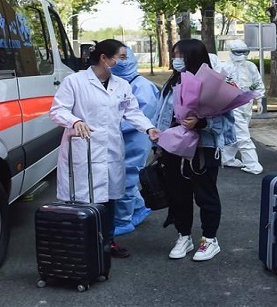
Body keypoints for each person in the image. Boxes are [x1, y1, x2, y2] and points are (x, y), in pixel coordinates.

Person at [49, 39, 160, 259]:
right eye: (121, 57)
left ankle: (108, 241)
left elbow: (133, 112)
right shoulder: (75, 81)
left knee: (109, 200)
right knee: (82, 201)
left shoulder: (122, 85)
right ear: (104, 58)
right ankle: (81, 244)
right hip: (82, 150)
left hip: (110, 151)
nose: (124, 62)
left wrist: (149, 128)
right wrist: (74, 121)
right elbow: (57, 111)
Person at [152, 39, 236, 261]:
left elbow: (227, 122)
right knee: (178, 195)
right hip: (173, 149)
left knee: (205, 195)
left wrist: (200, 124)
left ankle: (209, 239)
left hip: (203, 149)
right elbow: (160, 114)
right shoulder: (172, 83)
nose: (175, 60)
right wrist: (157, 143)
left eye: (180, 55)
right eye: (174, 54)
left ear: (192, 57)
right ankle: (183, 235)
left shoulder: (213, 85)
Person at [109, 46, 160, 236]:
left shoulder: (142, 86)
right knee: (123, 176)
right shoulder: (120, 83)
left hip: (136, 138)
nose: (118, 63)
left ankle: (122, 221)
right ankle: (139, 207)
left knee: (125, 179)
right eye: (116, 58)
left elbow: (140, 117)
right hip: (121, 138)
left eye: (123, 58)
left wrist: (109, 125)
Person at [220, 39, 265, 174]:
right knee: (243, 135)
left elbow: (258, 83)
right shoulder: (225, 68)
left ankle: (227, 158)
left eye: (244, 52)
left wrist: (259, 100)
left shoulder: (250, 66)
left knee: (236, 132)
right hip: (232, 104)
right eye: (238, 52)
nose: (241, 55)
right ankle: (253, 164)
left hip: (247, 104)